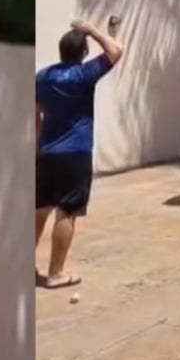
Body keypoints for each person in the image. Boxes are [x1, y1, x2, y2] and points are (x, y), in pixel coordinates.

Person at [35, 17, 124, 289]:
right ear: (83, 53)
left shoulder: (43, 76)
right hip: (75, 153)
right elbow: (116, 51)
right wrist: (93, 31)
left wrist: (38, 145)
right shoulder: (84, 76)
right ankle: (56, 273)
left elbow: (35, 113)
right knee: (67, 211)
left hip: (46, 152)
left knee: (39, 210)